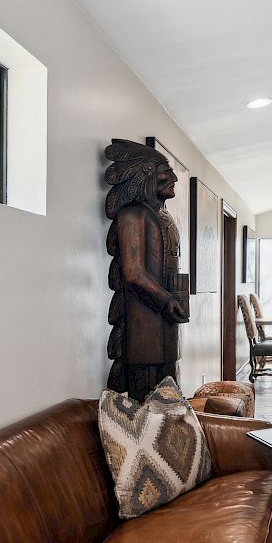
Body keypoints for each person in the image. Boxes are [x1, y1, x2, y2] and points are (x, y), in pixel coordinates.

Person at [102, 139, 190, 400]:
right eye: (166, 171)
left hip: (167, 327)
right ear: (147, 175)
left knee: (170, 398)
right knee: (146, 402)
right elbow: (134, 273)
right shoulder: (133, 215)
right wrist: (166, 299)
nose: (173, 177)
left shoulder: (164, 216)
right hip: (145, 330)